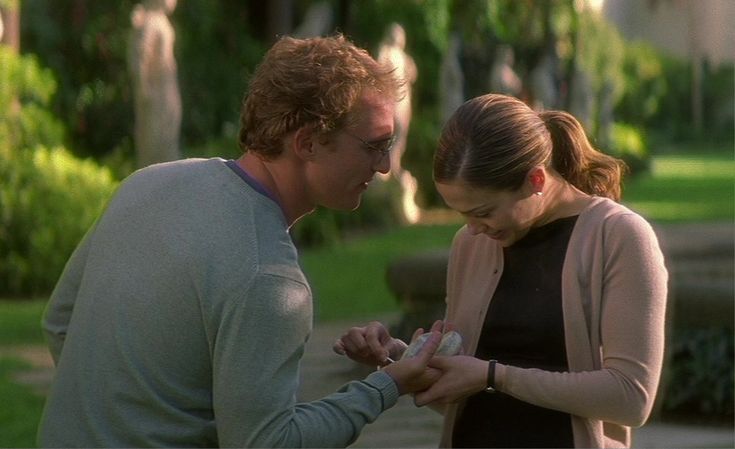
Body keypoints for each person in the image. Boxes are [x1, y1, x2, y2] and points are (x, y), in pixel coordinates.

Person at [37, 34, 444, 448]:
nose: (386, 166)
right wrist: (384, 386)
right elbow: (267, 443)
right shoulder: (267, 276)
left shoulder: (146, 184)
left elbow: (59, 322)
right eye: (374, 146)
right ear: (307, 143)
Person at [335, 93, 668, 448]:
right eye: (463, 214)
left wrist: (494, 376)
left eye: (484, 212)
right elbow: (461, 393)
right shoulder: (470, 245)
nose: (474, 229)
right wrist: (398, 358)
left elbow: (630, 398)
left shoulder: (618, 237)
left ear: (536, 180)